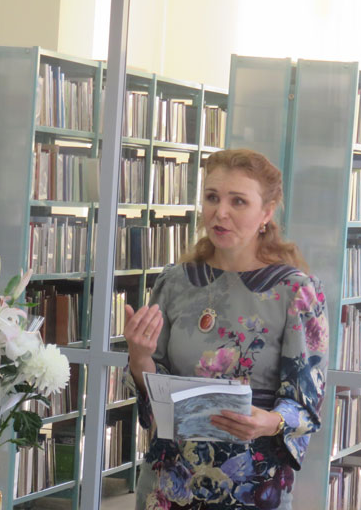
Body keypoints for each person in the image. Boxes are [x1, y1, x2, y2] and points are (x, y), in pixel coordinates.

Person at [124, 148, 329, 510]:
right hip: (169, 482)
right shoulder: (174, 282)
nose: (220, 212)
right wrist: (139, 356)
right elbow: (152, 391)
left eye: (238, 201)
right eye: (212, 197)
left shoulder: (295, 291)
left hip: (251, 483)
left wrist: (270, 421)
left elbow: (305, 403)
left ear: (266, 212)